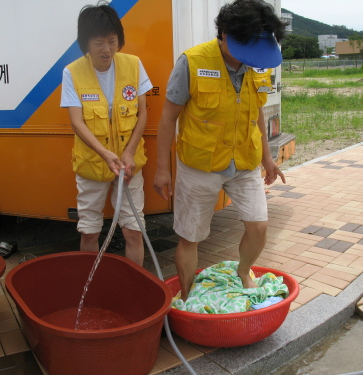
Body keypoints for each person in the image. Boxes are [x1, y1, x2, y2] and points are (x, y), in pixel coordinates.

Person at [153, 0, 287, 300]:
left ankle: (243, 271)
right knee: (191, 237)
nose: (249, 56)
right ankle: (187, 297)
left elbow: (257, 113)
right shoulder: (192, 61)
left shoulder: (257, 65)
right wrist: (162, 169)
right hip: (200, 164)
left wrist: (267, 158)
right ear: (224, 34)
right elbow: (168, 117)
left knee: (259, 226)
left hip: (244, 163)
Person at [61, 3, 152, 266]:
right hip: (92, 165)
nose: (107, 49)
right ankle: (94, 290)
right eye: (99, 42)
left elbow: (143, 114)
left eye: (112, 41)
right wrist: (105, 154)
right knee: (89, 230)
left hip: (129, 165)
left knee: (134, 230)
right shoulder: (72, 72)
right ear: (86, 43)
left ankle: (133, 285)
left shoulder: (133, 65)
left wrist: (128, 153)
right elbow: (77, 121)